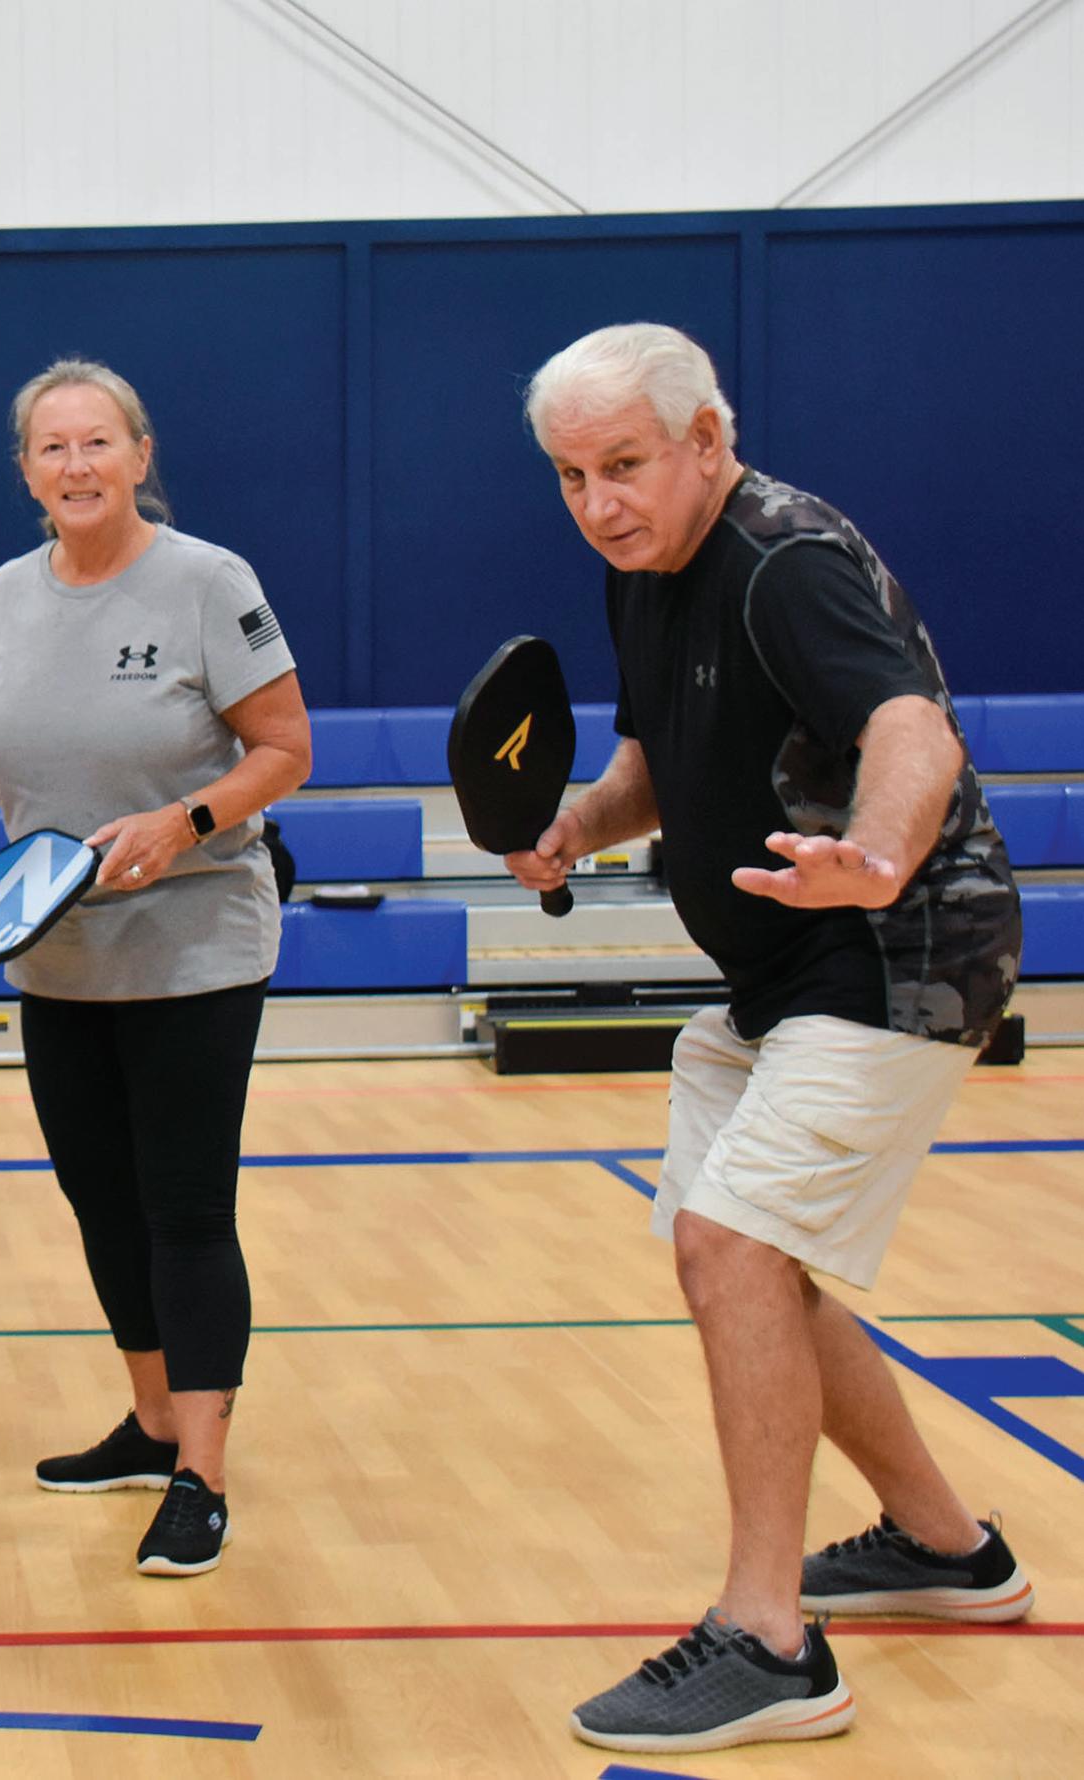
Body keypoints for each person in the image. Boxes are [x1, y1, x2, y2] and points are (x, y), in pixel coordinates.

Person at [513, 323, 1031, 1755]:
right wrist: (574, 825)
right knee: (744, 1257)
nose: (598, 502)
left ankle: (767, 1641)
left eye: (623, 464)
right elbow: (650, 764)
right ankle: (944, 1547)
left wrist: (875, 854)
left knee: (731, 1246)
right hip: (778, 970)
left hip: (895, 949)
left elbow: (908, 728)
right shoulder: (643, 570)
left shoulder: (778, 558)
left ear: (705, 439)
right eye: (569, 475)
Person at [0, 358, 311, 1577]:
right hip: (59, 952)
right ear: (26, 471)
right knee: (100, 1200)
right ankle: (149, 1424)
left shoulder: (207, 581)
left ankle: (203, 1474)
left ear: (140, 456)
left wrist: (184, 823)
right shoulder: (4, 592)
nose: (76, 464)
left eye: (98, 442)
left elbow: (284, 748)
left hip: (195, 941)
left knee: (183, 1208)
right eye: (53, 447)